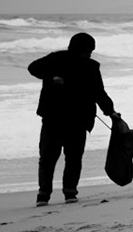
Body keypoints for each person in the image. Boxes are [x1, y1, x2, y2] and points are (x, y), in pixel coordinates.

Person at [27, 32, 117, 204]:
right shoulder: (56, 59)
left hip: (75, 118)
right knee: (54, 157)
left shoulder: (91, 66)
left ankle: (65, 192)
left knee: (63, 157)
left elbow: (98, 92)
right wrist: (52, 76)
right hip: (57, 117)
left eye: (91, 51)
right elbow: (33, 68)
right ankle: (47, 194)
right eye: (88, 50)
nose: (89, 54)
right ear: (79, 48)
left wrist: (110, 111)